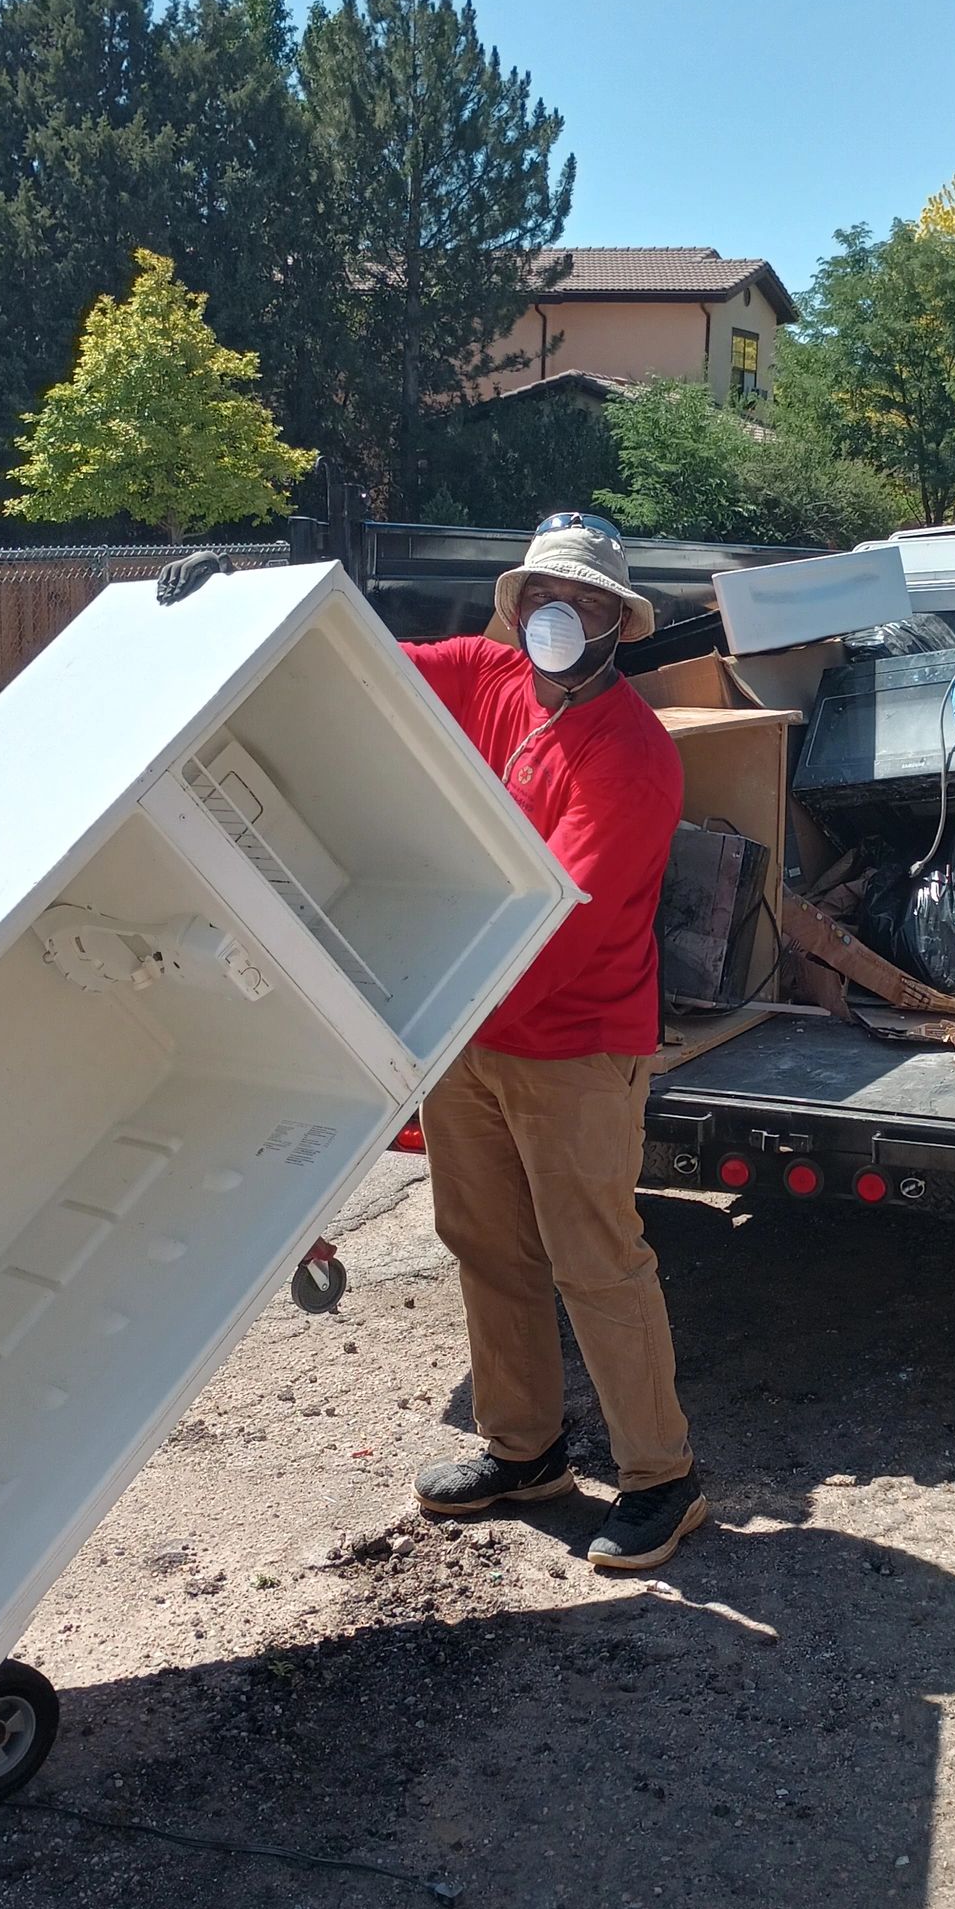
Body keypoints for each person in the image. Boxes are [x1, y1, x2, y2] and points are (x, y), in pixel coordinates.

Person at [399, 512, 703, 1571]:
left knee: (594, 1260)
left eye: (580, 599)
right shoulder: (487, 677)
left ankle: (662, 1477)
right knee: (486, 1245)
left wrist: (413, 990)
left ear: (618, 620)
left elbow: (558, 921)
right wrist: (243, 609)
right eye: (538, 593)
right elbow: (355, 664)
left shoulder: (631, 756)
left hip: (571, 1044)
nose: (554, 612)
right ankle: (523, 1451)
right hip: (474, 1032)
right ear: (514, 603)